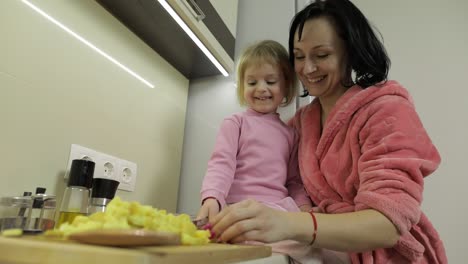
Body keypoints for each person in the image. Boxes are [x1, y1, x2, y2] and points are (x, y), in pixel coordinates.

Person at [208, 0, 448, 263]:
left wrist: (290, 223)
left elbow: (388, 222)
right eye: (299, 57)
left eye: (321, 55)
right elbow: (279, 182)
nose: (308, 69)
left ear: (351, 52)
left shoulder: (388, 110)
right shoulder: (299, 125)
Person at [197, 40, 324, 263]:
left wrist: (305, 208)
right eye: (252, 82)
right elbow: (221, 164)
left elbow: (294, 181)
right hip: (241, 209)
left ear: (286, 87)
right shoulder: (235, 123)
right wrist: (212, 198)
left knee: (318, 249)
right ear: (242, 87)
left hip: (278, 212)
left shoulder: (291, 134)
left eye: (271, 81)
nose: (261, 88)